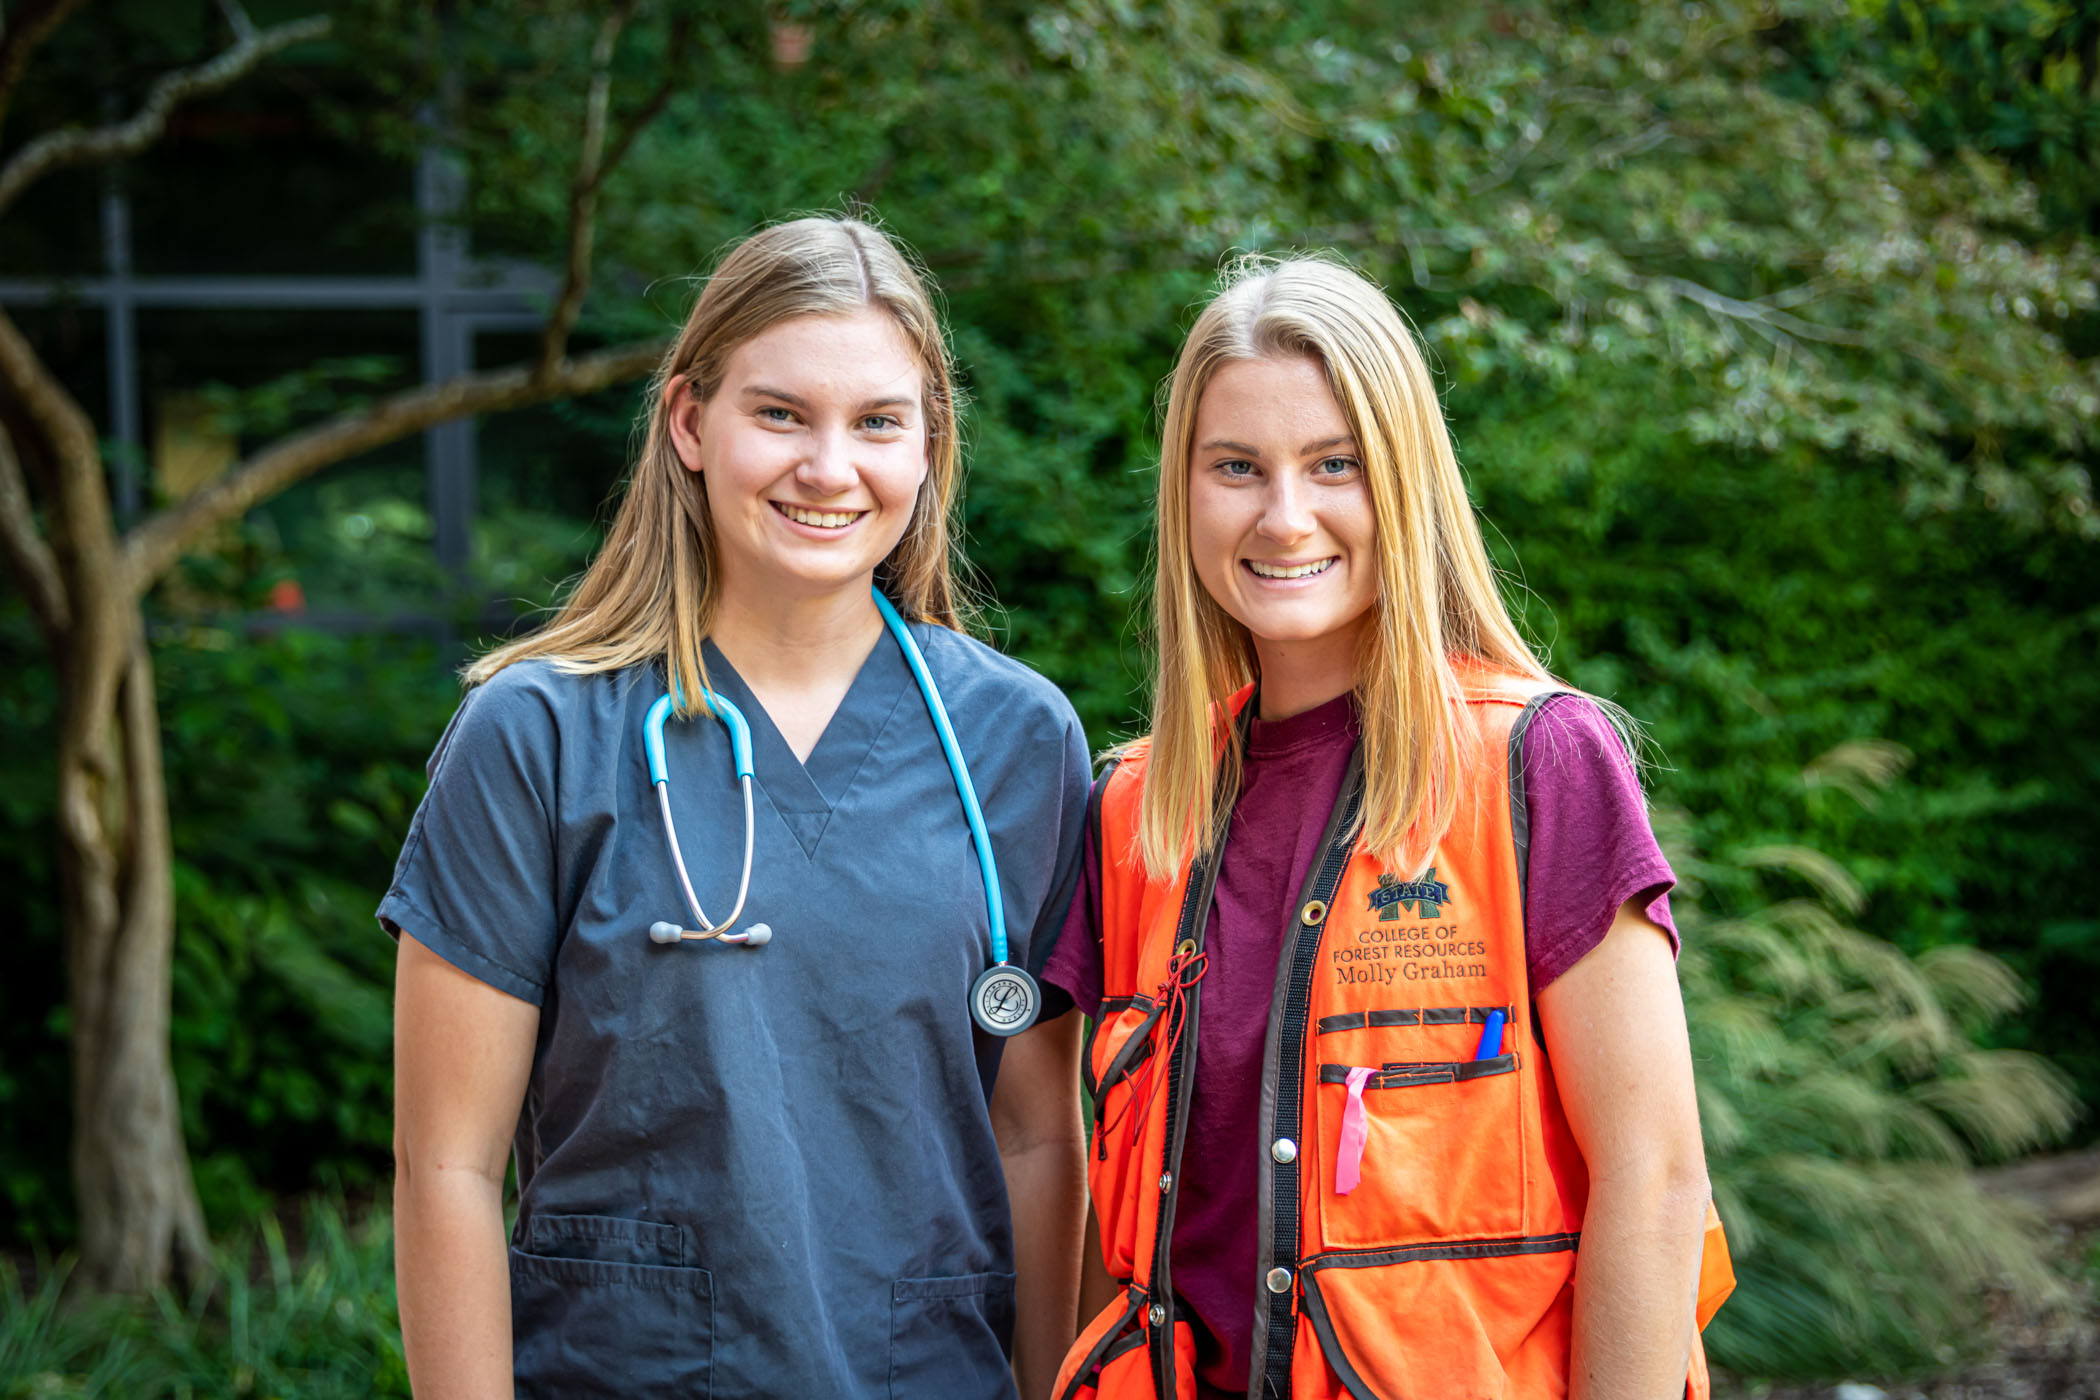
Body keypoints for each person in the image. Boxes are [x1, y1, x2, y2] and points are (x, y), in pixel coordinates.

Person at [382, 215, 1091, 1400]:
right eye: (780, 413)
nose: (830, 466)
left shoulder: (1016, 743)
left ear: (928, 448)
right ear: (689, 422)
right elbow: (443, 1162)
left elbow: (1036, 1136)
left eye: (877, 421)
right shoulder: (537, 736)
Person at [1042, 255, 1733, 1400]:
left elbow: (1655, 1181)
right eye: (1236, 468)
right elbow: (1110, 1238)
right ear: (1185, 492)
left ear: (1402, 481)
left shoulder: (1540, 760)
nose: (1284, 514)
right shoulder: (1133, 806)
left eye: (1335, 464)